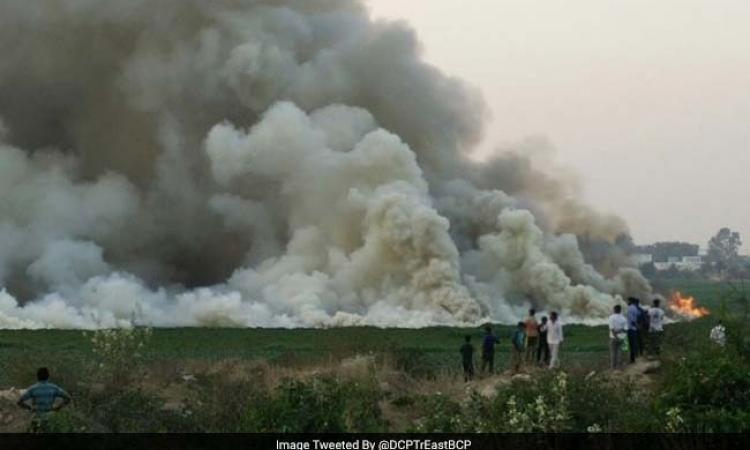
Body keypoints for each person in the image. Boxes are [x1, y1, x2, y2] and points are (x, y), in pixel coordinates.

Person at [17, 368, 72, 432]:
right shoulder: (53, 388)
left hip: (37, 417)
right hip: (50, 418)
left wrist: (30, 408)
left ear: (37, 377)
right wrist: (58, 408)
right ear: (48, 377)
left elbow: (19, 402)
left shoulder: (33, 388)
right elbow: (68, 398)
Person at [608, 304, 628, 369]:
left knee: (613, 353)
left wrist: (615, 335)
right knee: (620, 352)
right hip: (621, 338)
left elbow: (612, 329)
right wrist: (619, 331)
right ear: (620, 310)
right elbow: (625, 329)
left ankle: (613, 367)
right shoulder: (624, 318)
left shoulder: (611, 317)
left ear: (614, 310)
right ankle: (619, 366)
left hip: (613, 338)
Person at [626, 297, 642, 363]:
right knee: (634, 343)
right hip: (634, 329)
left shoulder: (630, 308)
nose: (627, 302)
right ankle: (636, 355)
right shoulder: (636, 308)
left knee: (631, 344)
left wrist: (636, 325)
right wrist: (638, 325)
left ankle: (632, 359)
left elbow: (632, 320)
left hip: (631, 328)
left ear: (631, 301)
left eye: (628, 301)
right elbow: (639, 315)